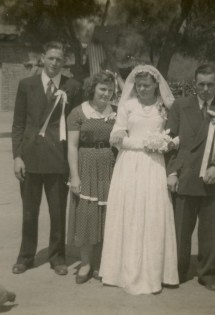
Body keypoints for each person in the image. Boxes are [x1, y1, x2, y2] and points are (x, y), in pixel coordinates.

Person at [99, 65, 179, 294]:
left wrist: (163, 144)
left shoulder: (164, 108)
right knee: (130, 212)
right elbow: (116, 137)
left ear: (156, 85)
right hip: (129, 165)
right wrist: (145, 144)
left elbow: (173, 135)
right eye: (139, 85)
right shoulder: (128, 106)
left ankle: (154, 272)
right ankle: (123, 270)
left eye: (146, 85)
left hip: (154, 166)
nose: (142, 89)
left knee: (152, 213)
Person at [11, 41, 82, 275]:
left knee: (57, 212)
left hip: (58, 159)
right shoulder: (26, 85)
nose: (54, 63)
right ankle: (25, 257)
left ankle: (58, 257)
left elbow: (77, 123)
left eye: (58, 60)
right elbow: (19, 124)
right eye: (50, 58)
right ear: (43, 58)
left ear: (64, 62)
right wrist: (17, 156)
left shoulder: (73, 86)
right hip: (30, 159)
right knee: (29, 212)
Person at [166, 64, 215, 291]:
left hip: (212, 180)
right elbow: (171, 142)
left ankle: (208, 273)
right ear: (194, 84)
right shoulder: (179, 105)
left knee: (210, 231)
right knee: (180, 231)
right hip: (186, 177)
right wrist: (173, 172)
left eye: (210, 84)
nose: (206, 89)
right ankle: (178, 269)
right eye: (201, 84)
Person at [66, 71, 117, 284]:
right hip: (86, 165)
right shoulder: (78, 113)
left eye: (110, 90)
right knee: (88, 215)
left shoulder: (116, 112)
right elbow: (72, 146)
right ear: (93, 89)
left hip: (110, 165)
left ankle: (102, 263)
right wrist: (74, 177)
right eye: (102, 89)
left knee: (107, 215)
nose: (106, 94)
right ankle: (86, 263)